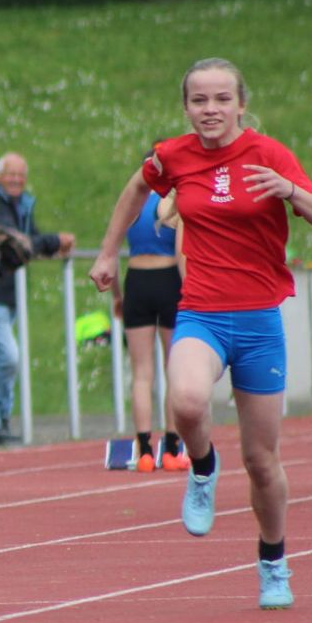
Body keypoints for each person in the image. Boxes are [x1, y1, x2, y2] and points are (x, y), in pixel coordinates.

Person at [90, 57, 312, 610]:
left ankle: (273, 562)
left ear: (241, 104)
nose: (210, 110)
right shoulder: (174, 156)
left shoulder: (269, 154)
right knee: (185, 400)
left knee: (261, 460)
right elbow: (135, 188)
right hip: (201, 311)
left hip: (259, 320)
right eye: (199, 100)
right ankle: (202, 466)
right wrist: (108, 253)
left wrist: (289, 190)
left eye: (222, 99)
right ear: (186, 107)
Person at [0, 152, 74, 444]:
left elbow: (31, 238)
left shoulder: (23, 204)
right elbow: (17, 242)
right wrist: (54, 240)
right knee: (8, 356)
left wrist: (50, 245)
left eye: (21, 175)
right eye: (11, 174)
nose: (16, 180)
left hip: (11, 292)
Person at [110, 186, 187, 472]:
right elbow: (182, 252)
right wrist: (188, 290)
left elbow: (111, 252)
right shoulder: (175, 201)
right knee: (173, 369)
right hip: (169, 280)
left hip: (136, 281)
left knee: (141, 373)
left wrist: (117, 296)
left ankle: (143, 451)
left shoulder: (131, 201)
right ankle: (171, 450)